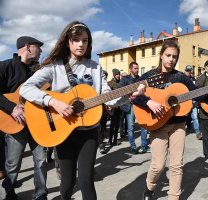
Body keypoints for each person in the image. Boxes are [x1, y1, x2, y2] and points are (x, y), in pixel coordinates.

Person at [19, 21, 145, 200]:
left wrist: (129, 95)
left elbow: (108, 96)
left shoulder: (95, 67)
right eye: (76, 40)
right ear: (67, 42)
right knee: (67, 183)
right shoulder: (55, 66)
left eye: (84, 40)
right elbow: (26, 88)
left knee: (86, 180)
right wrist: (54, 102)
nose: (80, 44)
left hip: (89, 132)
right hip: (62, 132)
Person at [133, 40, 204, 200]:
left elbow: (198, 94)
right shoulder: (149, 76)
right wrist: (148, 102)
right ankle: (150, 188)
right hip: (158, 125)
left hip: (178, 124)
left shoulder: (181, 77)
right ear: (161, 56)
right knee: (158, 166)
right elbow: (133, 96)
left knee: (177, 164)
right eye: (168, 55)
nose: (171, 59)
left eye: (174, 56)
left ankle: (174, 197)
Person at [0, 36, 47, 200]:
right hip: (15, 123)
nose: (40, 50)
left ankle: (40, 194)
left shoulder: (39, 71)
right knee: (12, 163)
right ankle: (10, 192)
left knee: (41, 160)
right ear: (27, 47)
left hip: (38, 123)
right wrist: (12, 107)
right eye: (38, 47)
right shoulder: (5, 66)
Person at [118, 61, 150, 154]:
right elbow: (119, 90)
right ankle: (133, 147)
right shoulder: (125, 79)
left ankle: (144, 146)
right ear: (130, 69)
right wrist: (129, 95)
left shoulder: (140, 79)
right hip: (130, 105)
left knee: (144, 125)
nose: (137, 70)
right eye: (135, 68)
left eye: (137, 68)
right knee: (130, 127)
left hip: (140, 105)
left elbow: (145, 91)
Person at [184, 65, 202, 140]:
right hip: (184, 101)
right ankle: (186, 129)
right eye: (187, 71)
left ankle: (198, 133)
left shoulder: (193, 79)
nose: (188, 72)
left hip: (193, 101)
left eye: (189, 71)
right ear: (185, 70)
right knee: (184, 118)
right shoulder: (181, 78)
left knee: (194, 117)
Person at [108, 68, 122, 146]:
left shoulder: (120, 83)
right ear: (114, 75)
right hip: (113, 107)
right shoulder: (110, 83)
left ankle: (115, 140)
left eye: (119, 74)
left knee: (117, 125)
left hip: (119, 107)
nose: (118, 75)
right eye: (117, 74)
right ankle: (110, 140)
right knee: (112, 124)